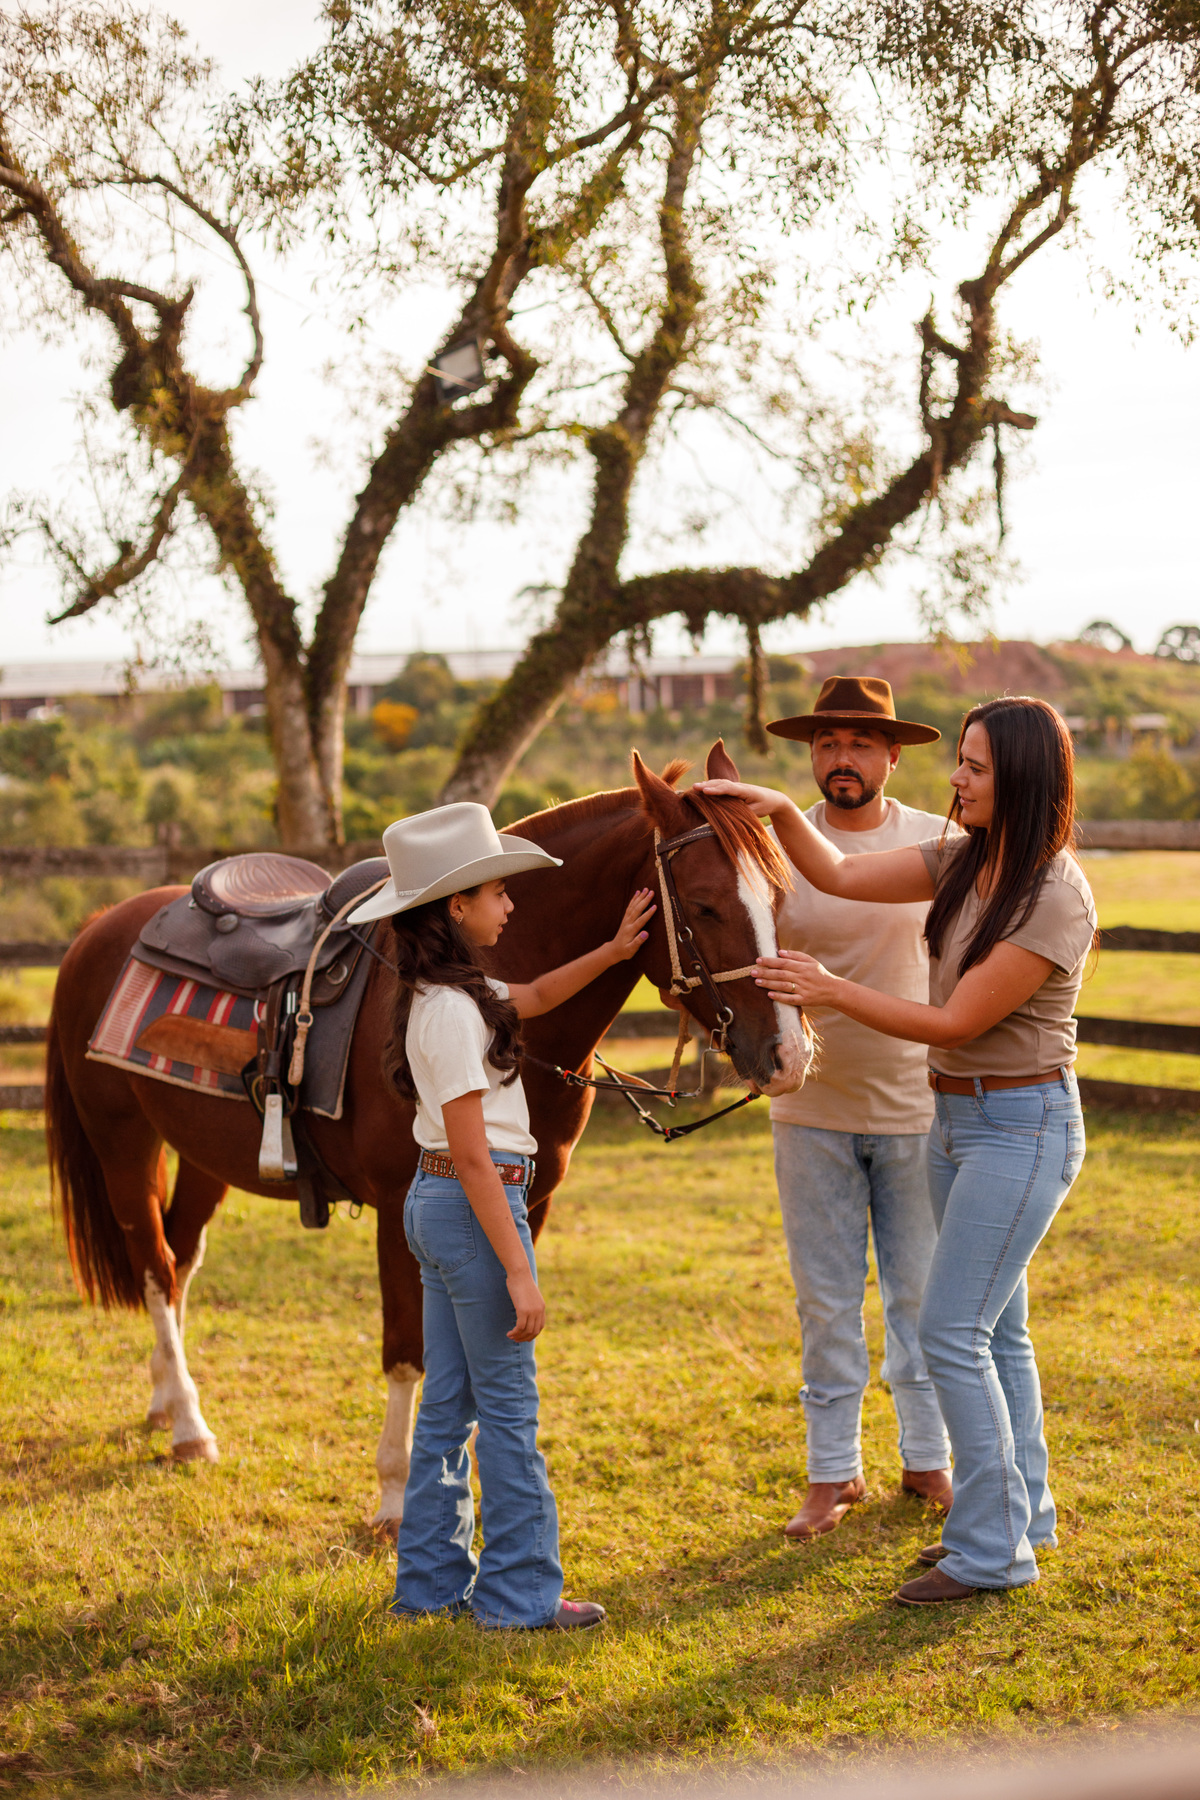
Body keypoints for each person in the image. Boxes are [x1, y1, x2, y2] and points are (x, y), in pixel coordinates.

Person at [699, 695, 1096, 1604]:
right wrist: (776, 805)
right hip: (958, 1123)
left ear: (1023, 779)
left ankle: (991, 1553)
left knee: (952, 1332)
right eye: (961, 761)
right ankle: (1023, 1518)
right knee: (999, 1335)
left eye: (976, 767)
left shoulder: (1052, 894)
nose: (958, 779)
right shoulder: (969, 860)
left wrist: (829, 989)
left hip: (1021, 1124)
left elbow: (955, 1021)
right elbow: (838, 872)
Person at [348, 802, 656, 1630]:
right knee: (509, 1411)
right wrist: (519, 1266)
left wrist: (616, 949)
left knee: (448, 1405)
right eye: (497, 892)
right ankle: (521, 1596)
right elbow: (474, 1153)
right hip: (471, 1200)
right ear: (457, 907)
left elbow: (543, 992)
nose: (511, 905)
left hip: (443, 1206)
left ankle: (429, 1587)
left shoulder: (457, 991)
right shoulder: (453, 1012)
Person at [747, 676, 956, 1543]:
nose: (842, 758)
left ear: (892, 755)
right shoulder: (775, 849)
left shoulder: (938, 843)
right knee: (827, 1304)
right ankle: (833, 1471)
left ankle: (928, 1457)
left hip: (919, 1107)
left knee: (921, 1299)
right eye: (827, 743)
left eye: (860, 743)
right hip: (811, 1113)